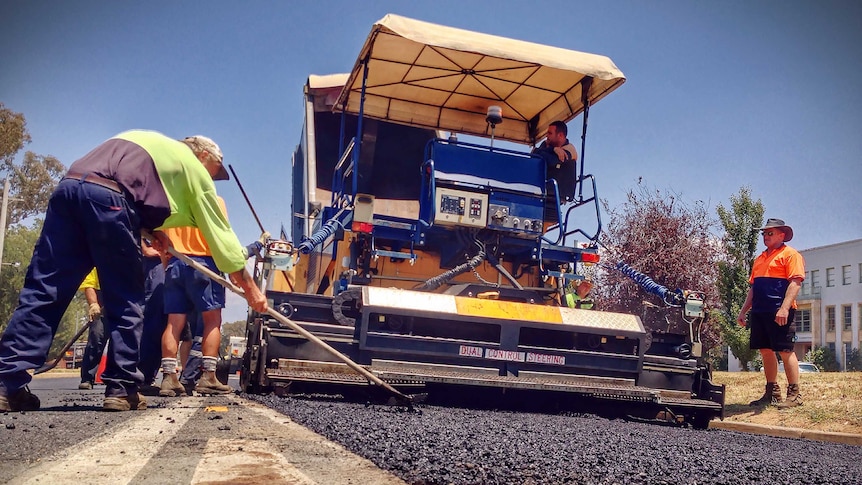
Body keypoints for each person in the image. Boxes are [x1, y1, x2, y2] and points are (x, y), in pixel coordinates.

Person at [0, 130, 267, 413]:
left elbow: (117, 183)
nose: (212, 180)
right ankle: (121, 386)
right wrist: (252, 291)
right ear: (203, 156)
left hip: (68, 189)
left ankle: (6, 384)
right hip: (111, 200)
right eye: (214, 172)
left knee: (45, 290)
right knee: (125, 296)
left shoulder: (148, 143)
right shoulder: (194, 168)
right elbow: (223, 241)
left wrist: (150, 230)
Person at [158, 200, 265, 397]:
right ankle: (208, 376)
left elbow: (161, 238)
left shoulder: (173, 201)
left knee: (174, 323)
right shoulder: (214, 201)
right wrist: (237, 272)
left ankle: (168, 378)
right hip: (204, 264)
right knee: (212, 321)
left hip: (175, 262)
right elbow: (222, 238)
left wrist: (167, 264)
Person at [736, 218, 805, 408]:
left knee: (785, 350)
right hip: (760, 311)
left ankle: (794, 394)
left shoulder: (791, 255)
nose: (766, 236)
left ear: (782, 235)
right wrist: (743, 311)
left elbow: (795, 282)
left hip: (780, 311)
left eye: (770, 233)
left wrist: (784, 308)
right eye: (764, 233)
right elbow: (753, 288)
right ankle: (772, 392)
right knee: (765, 351)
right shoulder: (759, 259)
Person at [78, 269, 109, 390]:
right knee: (97, 335)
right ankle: (87, 377)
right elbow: (89, 284)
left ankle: (117, 379)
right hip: (101, 298)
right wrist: (93, 304)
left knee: (122, 339)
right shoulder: (96, 261)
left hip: (122, 297)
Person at [533, 120, 578, 202]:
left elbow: (551, 160)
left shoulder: (570, 149)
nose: (547, 136)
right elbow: (534, 155)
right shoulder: (547, 145)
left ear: (560, 135)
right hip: (542, 189)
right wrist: (553, 149)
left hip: (557, 193)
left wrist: (546, 150)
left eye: (550, 133)